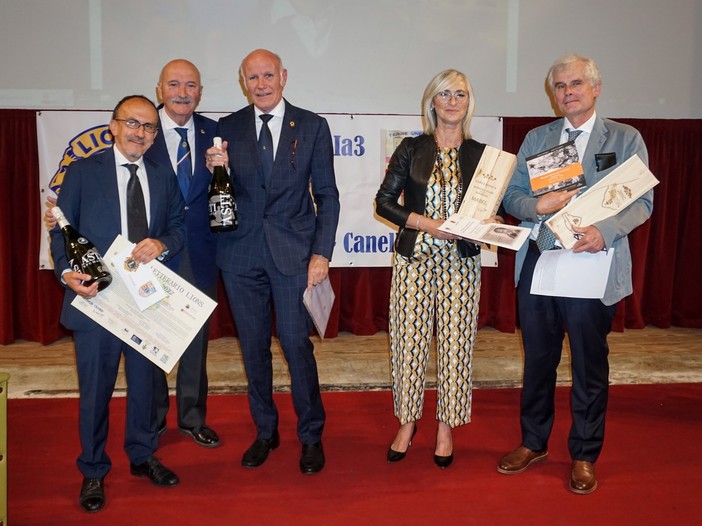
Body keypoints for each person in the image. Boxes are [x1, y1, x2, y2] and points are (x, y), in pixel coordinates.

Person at [497, 54, 653, 495]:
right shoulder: (537, 137)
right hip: (542, 267)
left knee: (589, 368)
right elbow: (512, 196)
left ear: (596, 87)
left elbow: (641, 203)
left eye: (577, 83)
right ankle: (533, 442)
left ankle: (584, 454)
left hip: (593, 267)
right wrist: (537, 206)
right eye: (561, 86)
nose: (568, 91)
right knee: (538, 364)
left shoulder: (625, 139)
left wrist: (604, 233)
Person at [206, 49, 340, 474]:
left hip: (294, 256)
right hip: (240, 255)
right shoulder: (227, 128)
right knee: (253, 349)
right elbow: (220, 193)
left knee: (297, 347)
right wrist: (215, 169)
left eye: (268, 75)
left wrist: (321, 254)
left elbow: (328, 196)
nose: (261, 84)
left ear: (283, 76)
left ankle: (311, 436)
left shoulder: (313, 126)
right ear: (242, 81)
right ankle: (265, 431)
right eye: (252, 78)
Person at [49, 95, 185, 512]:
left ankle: (142, 455)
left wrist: (162, 242)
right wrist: (65, 274)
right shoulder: (81, 173)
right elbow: (61, 231)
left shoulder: (163, 176)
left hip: (145, 300)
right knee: (95, 391)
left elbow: (179, 226)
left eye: (148, 127)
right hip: (96, 298)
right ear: (112, 126)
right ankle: (92, 469)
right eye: (132, 123)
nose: (139, 133)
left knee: (146, 388)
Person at [375, 69, 504, 469]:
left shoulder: (483, 155)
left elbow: (492, 209)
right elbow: (384, 202)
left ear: (469, 103)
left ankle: (446, 426)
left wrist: (491, 220)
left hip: (460, 263)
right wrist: (426, 223)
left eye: (460, 94)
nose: (452, 101)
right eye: (444, 94)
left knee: (456, 347)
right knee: (408, 343)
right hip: (414, 258)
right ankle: (407, 423)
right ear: (432, 101)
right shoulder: (411, 149)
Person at [149, 59, 220, 448]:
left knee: (195, 338)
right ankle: (154, 417)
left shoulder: (216, 132)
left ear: (200, 92)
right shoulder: (143, 128)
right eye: (174, 84)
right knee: (151, 337)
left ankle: (192, 418)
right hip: (152, 249)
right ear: (159, 89)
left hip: (201, 249)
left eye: (190, 85)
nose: (182, 92)